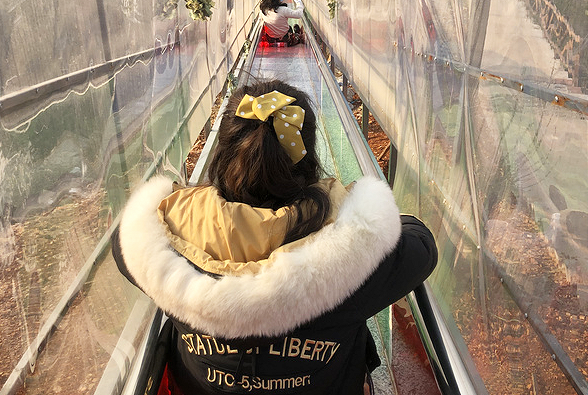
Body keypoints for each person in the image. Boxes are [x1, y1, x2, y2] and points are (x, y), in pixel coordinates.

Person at [112, 79, 437, 395]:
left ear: (222, 160)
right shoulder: (355, 259)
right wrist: (370, 210)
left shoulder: (162, 243)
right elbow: (421, 244)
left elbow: (123, 245)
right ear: (308, 161)